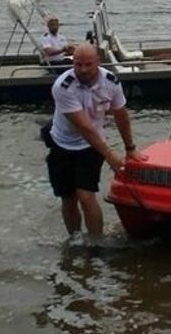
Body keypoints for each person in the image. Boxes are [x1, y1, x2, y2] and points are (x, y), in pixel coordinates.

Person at [46, 43, 140, 237]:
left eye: (88, 64)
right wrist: (110, 156)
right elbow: (84, 127)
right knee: (68, 198)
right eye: (78, 64)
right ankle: (75, 238)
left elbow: (121, 114)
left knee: (86, 195)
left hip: (92, 145)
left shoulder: (111, 82)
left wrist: (130, 148)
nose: (83, 70)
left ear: (98, 62)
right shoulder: (63, 87)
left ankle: (96, 242)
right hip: (62, 143)